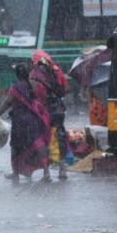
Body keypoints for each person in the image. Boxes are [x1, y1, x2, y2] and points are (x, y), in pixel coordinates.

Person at [0, 64, 51, 183]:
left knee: (17, 147)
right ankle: (46, 172)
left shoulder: (15, 87)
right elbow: (44, 98)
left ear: (17, 75)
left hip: (20, 123)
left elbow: (7, 102)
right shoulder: (36, 85)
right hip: (35, 121)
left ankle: (16, 173)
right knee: (38, 145)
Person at [30, 49, 71, 180]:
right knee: (59, 137)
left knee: (44, 140)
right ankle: (62, 169)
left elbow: (34, 94)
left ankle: (46, 173)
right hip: (58, 110)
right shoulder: (57, 71)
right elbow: (66, 89)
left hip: (44, 111)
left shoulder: (35, 74)